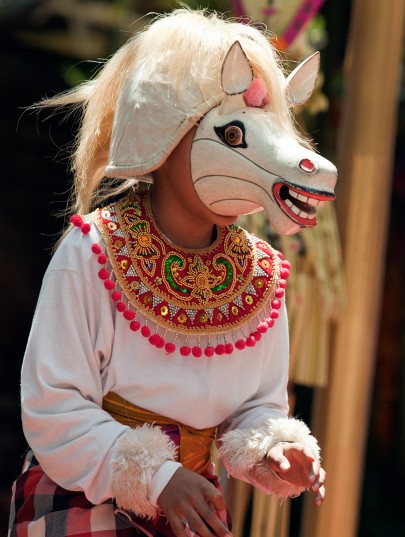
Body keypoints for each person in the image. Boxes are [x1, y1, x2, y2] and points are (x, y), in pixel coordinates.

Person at [8, 8, 337, 537]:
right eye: (231, 134)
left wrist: (276, 446)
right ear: (165, 131)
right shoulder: (91, 250)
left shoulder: (263, 273)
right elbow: (54, 406)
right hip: (82, 504)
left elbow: (256, 407)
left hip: (194, 511)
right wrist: (158, 478)